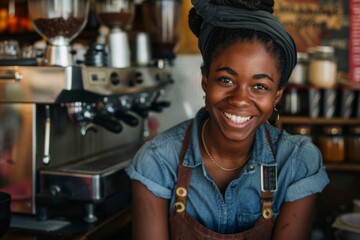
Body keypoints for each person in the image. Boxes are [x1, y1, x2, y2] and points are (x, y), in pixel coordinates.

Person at [125, 0, 330, 239]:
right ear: (205, 81)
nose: (240, 99)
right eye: (226, 80)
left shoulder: (296, 163)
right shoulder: (158, 161)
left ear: (277, 96)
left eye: (260, 86)